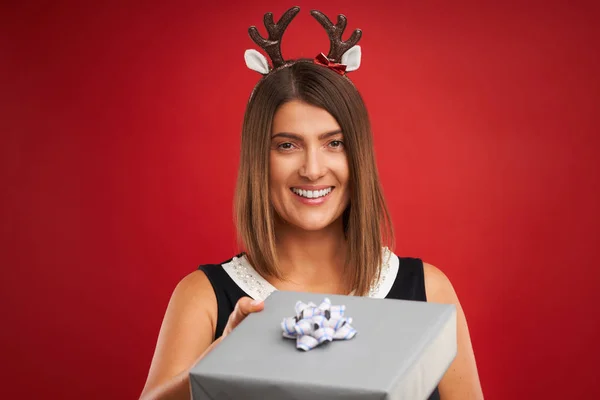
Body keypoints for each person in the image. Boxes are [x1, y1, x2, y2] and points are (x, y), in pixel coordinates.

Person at [140, 6, 483, 400]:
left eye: (333, 143)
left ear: (359, 157)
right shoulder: (202, 297)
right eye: (287, 145)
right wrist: (218, 367)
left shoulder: (429, 291)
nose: (313, 169)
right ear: (258, 160)